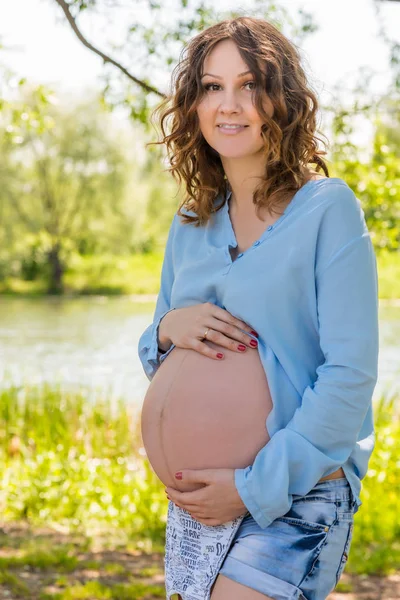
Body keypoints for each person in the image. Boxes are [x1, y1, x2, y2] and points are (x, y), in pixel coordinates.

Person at [138, 16, 379, 600]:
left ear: (283, 100)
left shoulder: (328, 211)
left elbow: (349, 378)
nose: (231, 104)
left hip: (295, 491)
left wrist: (253, 488)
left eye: (250, 85)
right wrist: (167, 328)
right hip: (197, 502)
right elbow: (159, 357)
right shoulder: (190, 223)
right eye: (213, 87)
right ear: (193, 106)